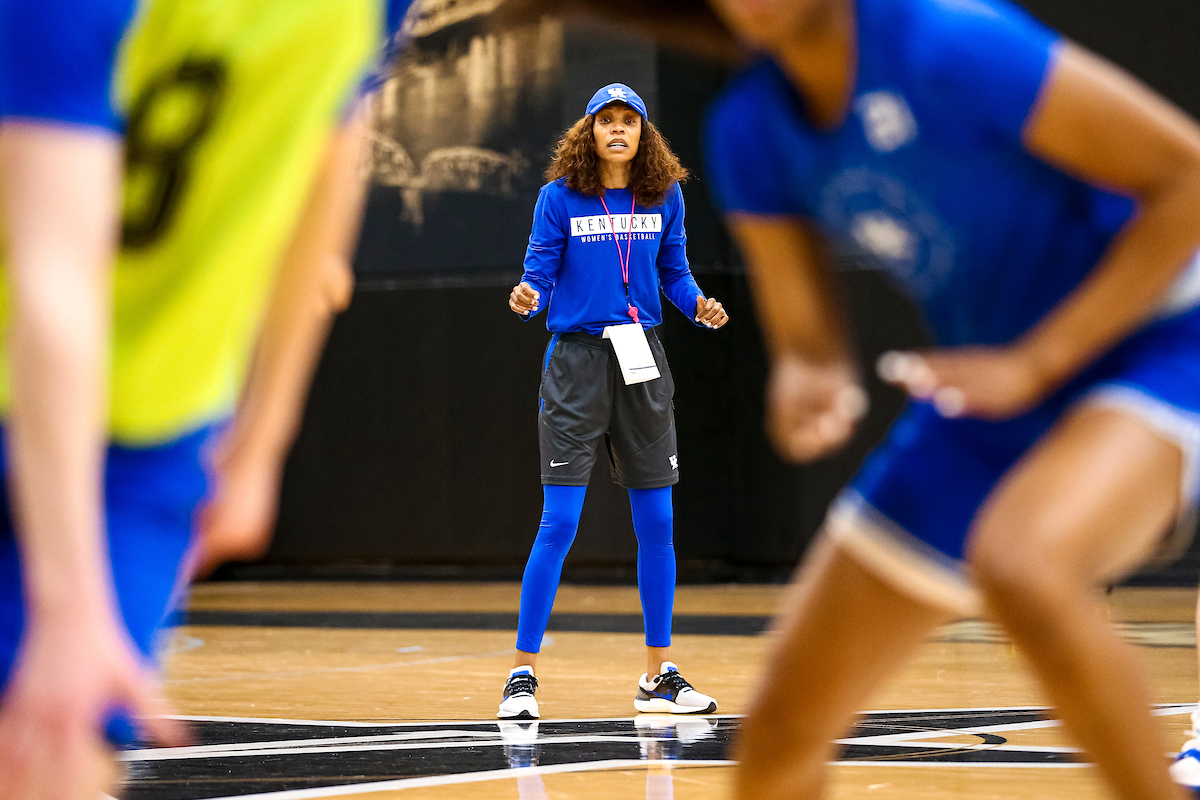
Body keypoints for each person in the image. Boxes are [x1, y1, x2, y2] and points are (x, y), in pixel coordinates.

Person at [696, 0, 1200, 798]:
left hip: (1159, 339)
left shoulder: (946, 38)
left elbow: (1189, 177)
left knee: (1025, 564)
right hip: (997, 389)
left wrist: (1037, 361)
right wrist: (811, 379)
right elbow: (806, 341)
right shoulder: (749, 130)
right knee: (776, 748)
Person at [0, 1, 412, 797]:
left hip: (144, 432)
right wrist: (69, 603)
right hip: (40, 363)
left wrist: (261, 441)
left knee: (55, 757)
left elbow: (330, 150)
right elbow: (53, 282)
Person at [500, 83, 729, 720]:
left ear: (644, 134)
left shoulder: (665, 196)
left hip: (643, 358)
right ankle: (522, 676)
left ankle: (659, 677)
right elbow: (538, 273)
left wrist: (699, 305)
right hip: (575, 362)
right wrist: (527, 296)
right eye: (608, 122)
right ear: (590, 133)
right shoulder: (559, 198)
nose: (619, 131)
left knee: (658, 523)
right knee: (561, 523)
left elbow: (675, 274)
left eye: (631, 121)